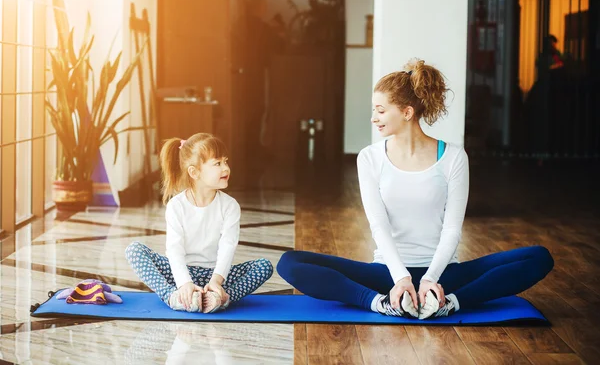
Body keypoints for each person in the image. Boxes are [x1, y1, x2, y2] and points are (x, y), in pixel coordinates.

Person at [277, 59, 554, 319]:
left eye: (381, 110)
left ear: (407, 112)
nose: (374, 117)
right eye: (374, 109)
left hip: (445, 273)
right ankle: (382, 303)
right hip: (387, 273)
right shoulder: (369, 158)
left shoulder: (454, 157)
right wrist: (402, 278)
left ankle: (447, 303)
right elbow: (379, 225)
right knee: (290, 262)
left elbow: (452, 229)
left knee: (539, 257)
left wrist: (431, 279)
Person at [126, 133, 273, 313]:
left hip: (216, 275)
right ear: (194, 172)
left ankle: (219, 297)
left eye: (226, 161)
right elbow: (174, 249)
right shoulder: (176, 206)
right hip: (182, 273)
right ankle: (175, 296)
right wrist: (184, 283)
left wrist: (216, 281)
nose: (226, 168)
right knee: (134, 250)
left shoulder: (230, 206)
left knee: (264, 266)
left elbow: (228, 247)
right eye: (217, 163)